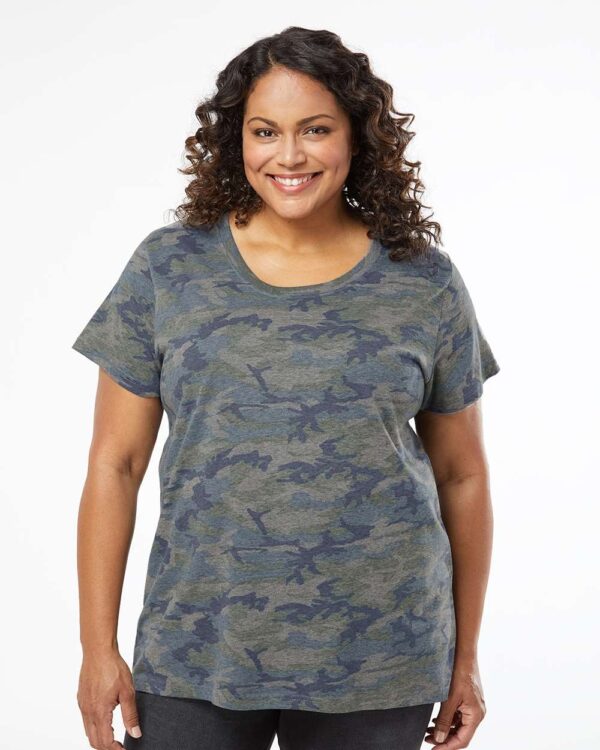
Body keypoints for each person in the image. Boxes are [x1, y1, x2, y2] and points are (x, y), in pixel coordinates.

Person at [72, 26, 500, 750]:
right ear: (235, 139)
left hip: (381, 654)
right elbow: (116, 464)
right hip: (196, 646)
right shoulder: (169, 268)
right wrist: (96, 648)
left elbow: (463, 475)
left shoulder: (423, 280)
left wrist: (466, 660)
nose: (289, 155)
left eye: (316, 129)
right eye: (265, 131)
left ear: (357, 137)